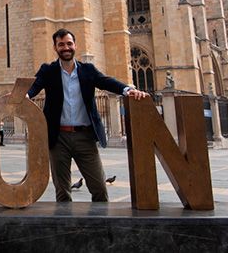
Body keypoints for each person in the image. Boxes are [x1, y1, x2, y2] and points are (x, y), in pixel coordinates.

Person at [26, 29, 149, 202]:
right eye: (61, 44)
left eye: (69, 44)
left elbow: (106, 81)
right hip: (58, 137)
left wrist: (127, 90)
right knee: (62, 191)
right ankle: (67, 226)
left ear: (75, 45)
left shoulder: (87, 70)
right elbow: (34, 86)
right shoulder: (48, 71)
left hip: (85, 136)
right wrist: (23, 96)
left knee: (99, 187)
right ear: (55, 47)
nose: (66, 47)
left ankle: (100, 227)